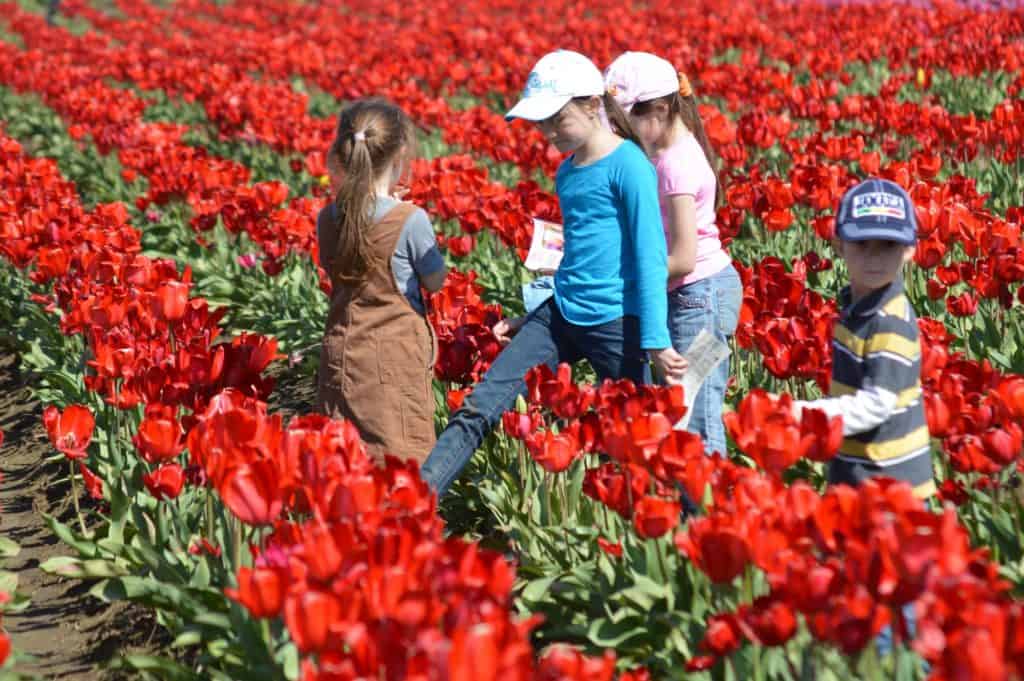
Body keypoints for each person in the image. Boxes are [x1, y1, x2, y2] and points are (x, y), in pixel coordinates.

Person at [419, 50, 688, 496]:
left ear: (590, 105)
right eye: (540, 123)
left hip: (617, 324)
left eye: (554, 119)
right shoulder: (567, 171)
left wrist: (656, 340)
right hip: (559, 315)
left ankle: (689, 531)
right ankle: (413, 507)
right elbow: (578, 258)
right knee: (479, 407)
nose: (546, 132)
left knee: (639, 442)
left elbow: (650, 258)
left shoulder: (630, 167)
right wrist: (534, 313)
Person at [793, 177, 933, 667]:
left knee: (895, 598)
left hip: (895, 492)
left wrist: (807, 416)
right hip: (862, 480)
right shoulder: (858, 309)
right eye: (862, 243)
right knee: (864, 589)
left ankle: (906, 667)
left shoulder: (891, 318)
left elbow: (877, 404)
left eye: (889, 246)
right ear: (838, 244)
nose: (874, 256)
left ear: (911, 251)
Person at [604, 52, 742, 456]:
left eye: (624, 122)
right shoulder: (664, 154)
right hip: (687, 294)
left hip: (700, 297)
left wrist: (624, 276)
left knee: (695, 410)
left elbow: (682, 258)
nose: (618, 132)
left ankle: (708, 506)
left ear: (661, 109)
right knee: (677, 408)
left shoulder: (677, 166)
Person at [316, 98, 448, 464]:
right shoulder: (410, 219)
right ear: (399, 153)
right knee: (398, 460)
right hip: (393, 361)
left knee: (343, 460)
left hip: (341, 353)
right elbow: (434, 281)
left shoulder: (327, 217)